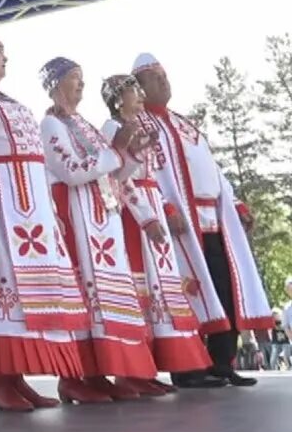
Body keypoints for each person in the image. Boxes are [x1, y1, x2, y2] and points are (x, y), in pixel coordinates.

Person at [0, 36, 88, 412]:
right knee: (5, 291)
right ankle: (0, 381)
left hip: (30, 207)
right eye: (0, 57)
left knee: (26, 297)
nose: (5, 62)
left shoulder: (7, 100)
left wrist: (47, 207)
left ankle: (16, 378)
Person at [133, 52, 271, 387]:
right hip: (179, 224)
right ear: (139, 87)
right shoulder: (139, 125)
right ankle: (188, 368)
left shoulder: (184, 123)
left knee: (225, 288)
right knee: (189, 291)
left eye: (165, 75)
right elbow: (144, 173)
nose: (164, 81)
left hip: (214, 220)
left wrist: (236, 204)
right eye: (154, 77)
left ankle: (222, 361)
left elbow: (213, 168)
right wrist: (165, 208)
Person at [38, 58, 159, 404]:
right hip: (74, 216)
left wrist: (131, 153)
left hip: (100, 218)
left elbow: (114, 173)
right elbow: (71, 169)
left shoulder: (84, 124)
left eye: (82, 79)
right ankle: (73, 377)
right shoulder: (49, 124)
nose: (81, 85)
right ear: (56, 84)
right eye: (74, 79)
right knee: (80, 296)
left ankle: (99, 373)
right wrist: (117, 151)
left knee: (103, 301)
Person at [100, 74, 216, 393]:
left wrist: (163, 206)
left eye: (139, 90)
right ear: (116, 98)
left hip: (151, 204)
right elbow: (119, 177)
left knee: (163, 288)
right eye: (132, 91)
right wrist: (145, 216)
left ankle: (151, 369)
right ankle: (132, 372)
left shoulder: (142, 126)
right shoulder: (112, 129)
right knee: (141, 287)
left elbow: (153, 176)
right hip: (132, 212)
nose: (139, 96)